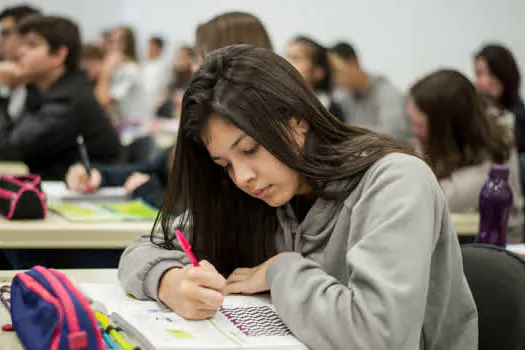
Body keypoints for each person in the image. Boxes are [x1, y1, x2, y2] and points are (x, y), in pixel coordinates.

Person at [118, 45, 478, 350]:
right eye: (225, 163)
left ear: (298, 120)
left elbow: (380, 335)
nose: (242, 177)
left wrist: (280, 269)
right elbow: (142, 249)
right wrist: (168, 281)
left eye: (251, 149)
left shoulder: (394, 180)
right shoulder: (252, 195)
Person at [66, 11, 274, 209]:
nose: (194, 68)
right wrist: (98, 175)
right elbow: (157, 168)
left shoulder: (245, 135)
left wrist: (148, 192)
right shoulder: (207, 121)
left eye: (198, 58)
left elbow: (210, 221)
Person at [407, 69, 524, 242]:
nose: (413, 131)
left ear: (446, 130)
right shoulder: (478, 129)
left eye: (420, 125)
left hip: (498, 253)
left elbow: (422, 198)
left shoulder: (485, 173)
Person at [0, 15, 122, 180]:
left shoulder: (68, 100)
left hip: (89, 194)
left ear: (59, 55)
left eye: (32, 45)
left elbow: (7, 148)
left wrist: (2, 88)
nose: (21, 52)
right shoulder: (42, 90)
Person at [330, 41, 411, 141]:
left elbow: (395, 134)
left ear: (352, 62)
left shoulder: (387, 92)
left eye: (336, 71)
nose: (334, 79)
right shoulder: (342, 97)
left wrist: (352, 130)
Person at [474, 44, 525, 154]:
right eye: (477, 74)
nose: (477, 82)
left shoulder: (518, 119)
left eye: (480, 74)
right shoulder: (479, 113)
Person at [96, 26, 152, 124]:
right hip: (125, 123)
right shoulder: (120, 68)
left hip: (135, 126)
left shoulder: (129, 70)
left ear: (125, 45)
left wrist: (106, 71)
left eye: (113, 42)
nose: (106, 46)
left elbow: (103, 101)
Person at [285, 36, 345, 121]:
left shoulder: (332, 112)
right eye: (286, 57)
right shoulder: (278, 105)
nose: (286, 63)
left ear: (318, 71)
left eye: (296, 58)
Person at [0, 5, 41, 121]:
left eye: (5, 33)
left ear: (27, 35)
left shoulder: (41, 82)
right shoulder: (7, 71)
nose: (1, 41)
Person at [143, 36, 169, 110]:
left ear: (159, 48)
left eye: (152, 47)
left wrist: (157, 104)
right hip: (142, 104)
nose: (149, 49)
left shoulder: (164, 66)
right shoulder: (144, 65)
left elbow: (164, 89)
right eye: (149, 46)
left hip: (156, 107)